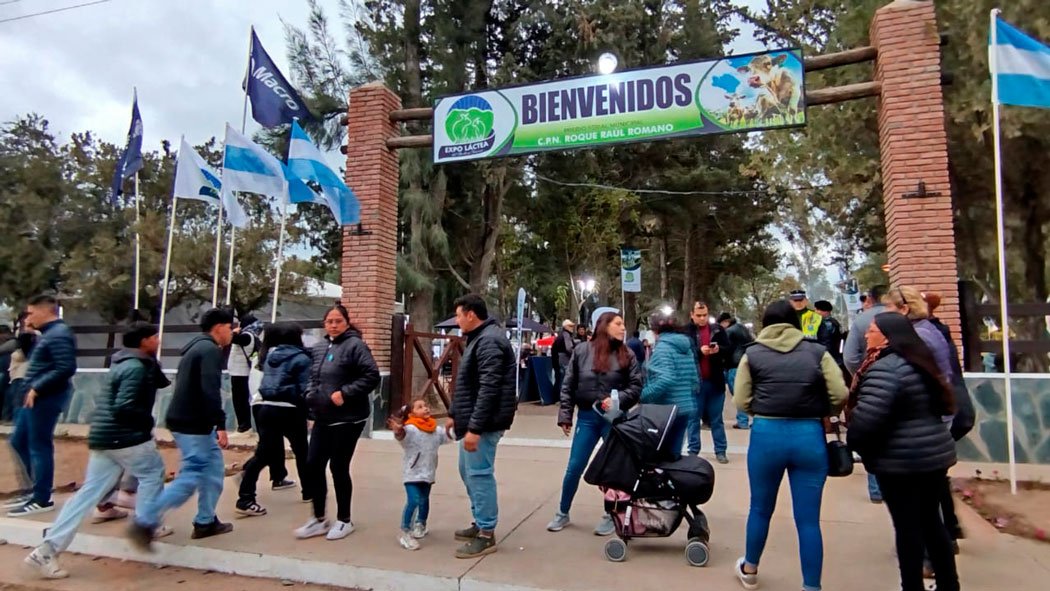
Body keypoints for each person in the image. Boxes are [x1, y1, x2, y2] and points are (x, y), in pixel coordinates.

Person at [26, 323, 169, 578]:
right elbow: (124, 406)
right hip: (126, 437)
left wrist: (151, 361)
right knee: (151, 474)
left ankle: (47, 550)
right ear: (144, 341)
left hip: (104, 438)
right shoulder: (135, 368)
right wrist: (146, 423)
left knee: (88, 494)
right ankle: (146, 526)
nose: (159, 340)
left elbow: (160, 381)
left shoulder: (126, 363)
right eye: (155, 337)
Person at [730, 301, 848, 591]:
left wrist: (760, 410)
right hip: (809, 435)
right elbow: (840, 392)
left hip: (767, 435)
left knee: (760, 508)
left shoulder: (752, 354)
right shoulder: (817, 352)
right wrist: (825, 411)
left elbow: (741, 399)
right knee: (808, 520)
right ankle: (811, 585)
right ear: (795, 322)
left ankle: (750, 569)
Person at [847, 313, 959, 591]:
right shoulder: (919, 361)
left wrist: (856, 443)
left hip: (902, 462)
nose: (866, 335)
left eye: (872, 330)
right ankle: (949, 584)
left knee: (908, 529)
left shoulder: (886, 369)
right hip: (933, 456)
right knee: (932, 523)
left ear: (886, 337)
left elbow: (867, 420)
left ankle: (911, 585)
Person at [129, 308, 234, 544]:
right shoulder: (209, 350)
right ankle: (146, 520)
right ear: (219, 327)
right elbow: (210, 390)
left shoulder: (196, 347)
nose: (232, 332)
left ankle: (205, 521)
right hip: (194, 423)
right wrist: (220, 423)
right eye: (230, 327)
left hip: (189, 420)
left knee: (213, 470)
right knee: (192, 474)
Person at [548, 310, 642, 535]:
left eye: (623, 324)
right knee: (575, 466)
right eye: (617, 323)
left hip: (615, 420)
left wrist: (619, 399)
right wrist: (565, 415)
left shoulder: (627, 354)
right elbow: (568, 385)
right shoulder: (581, 351)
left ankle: (611, 514)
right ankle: (562, 512)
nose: (623, 328)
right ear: (604, 326)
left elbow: (636, 386)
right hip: (587, 418)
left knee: (612, 469)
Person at [295, 305, 380, 541]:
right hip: (323, 416)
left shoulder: (355, 346)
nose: (333, 325)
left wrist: (346, 393)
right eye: (329, 321)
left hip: (348, 418)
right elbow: (313, 377)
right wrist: (310, 398)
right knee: (313, 464)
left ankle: (344, 520)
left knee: (338, 467)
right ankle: (319, 518)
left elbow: (371, 375)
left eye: (338, 321)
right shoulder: (320, 346)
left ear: (346, 322)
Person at [447, 294, 518, 558]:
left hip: (485, 423)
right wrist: (454, 414)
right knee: (467, 471)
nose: (457, 321)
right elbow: (468, 383)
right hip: (473, 420)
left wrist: (475, 428)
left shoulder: (489, 340)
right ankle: (480, 521)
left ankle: (487, 533)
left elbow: (489, 388)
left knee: (479, 474)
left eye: (458, 315)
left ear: (471, 314)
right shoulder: (479, 338)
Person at [6, 295, 77, 517]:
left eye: (31, 313)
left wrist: (38, 388)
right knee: (18, 440)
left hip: (45, 397)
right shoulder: (48, 334)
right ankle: (36, 489)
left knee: (39, 445)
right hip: (33, 396)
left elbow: (65, 367)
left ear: (45, 311)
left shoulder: (59, 334)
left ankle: (41, 498)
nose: (28, 318)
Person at [235, 323, 312, 517]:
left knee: (263, 454)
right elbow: (305, 389)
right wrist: (310, 414)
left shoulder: (269, 356)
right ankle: (309, 491)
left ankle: (245, 498)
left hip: (267, 408)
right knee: (302, 452)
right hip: (290, 410)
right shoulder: (302, 358)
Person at [843, 284, 889, 504]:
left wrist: (860, 374)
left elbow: (850, 356)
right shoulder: (902, 318)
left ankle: (876, 489)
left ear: (870, 299)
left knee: (873, 433)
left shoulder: (862, 320)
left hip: (868, 385)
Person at [387, 399, 453, 551]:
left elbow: (448, 436)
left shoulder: (435, 429)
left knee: (424, 500)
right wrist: (398, 430)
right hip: (412, 473)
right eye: (420, 407)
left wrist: (459, 426)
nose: (425, 409)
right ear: (412, 413)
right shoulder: (411, 428)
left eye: (426, 406)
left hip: (428, 473)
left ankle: (421, 524)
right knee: (414, 500)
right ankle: (405, 531)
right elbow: (402, 435)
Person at [640, 311, 698, 457]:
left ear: (654, 331)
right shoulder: (686, 348)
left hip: (665, 411)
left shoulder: (662, 348)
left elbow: (665, 379)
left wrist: (643, 395)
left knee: (660, 457)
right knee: (674, 456)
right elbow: (694, 379)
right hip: (684, 407)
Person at [684, 301, 731, 463]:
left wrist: (719, 350)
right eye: (699, 315)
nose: (702, 318)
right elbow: (682, 353)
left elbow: (729, 350)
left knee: (716, 419)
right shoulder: (686, 332)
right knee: (693, 419)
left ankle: (721, 450)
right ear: (692, 315)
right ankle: (693, 451)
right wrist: (699, 351)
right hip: (694, 383)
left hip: (715, 382)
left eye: (705, 315)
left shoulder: (717, 330)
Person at [719, 312, 754, 430]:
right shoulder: (743, 328)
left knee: (738, 393)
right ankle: (751, 419)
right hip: (747, 361)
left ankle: (742, 421)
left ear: (725, 322)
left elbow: (726, 348)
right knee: (747, 391)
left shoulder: (729, 331)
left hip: (734, 364)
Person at [228, 314, 260, 434]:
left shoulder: (247, 336)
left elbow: (230, 338)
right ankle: (244, 425)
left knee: (240, 401)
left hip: (240, 373)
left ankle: (244, 426)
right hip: (240, 372)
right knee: (241, 400)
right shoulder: (251, 335)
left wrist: (233, 332)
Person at [551, 320, 578, 399]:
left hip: (557, 360)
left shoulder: (561, 334)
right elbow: (569, 348)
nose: (572, 328)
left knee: (559, 378)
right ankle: (562, 397)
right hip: (563, 360)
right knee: (564, 379)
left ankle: (556, 397)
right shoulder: (566, 335)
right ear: (565, 327)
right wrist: (575, 354)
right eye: (570, 326)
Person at [813, 300, 845, 367]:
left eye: (817, 310)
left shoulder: (826, 324)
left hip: (828, 358)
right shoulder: (834, 321)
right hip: (835, 358)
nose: (815, 312)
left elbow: (825, 342)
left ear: (825, 311)